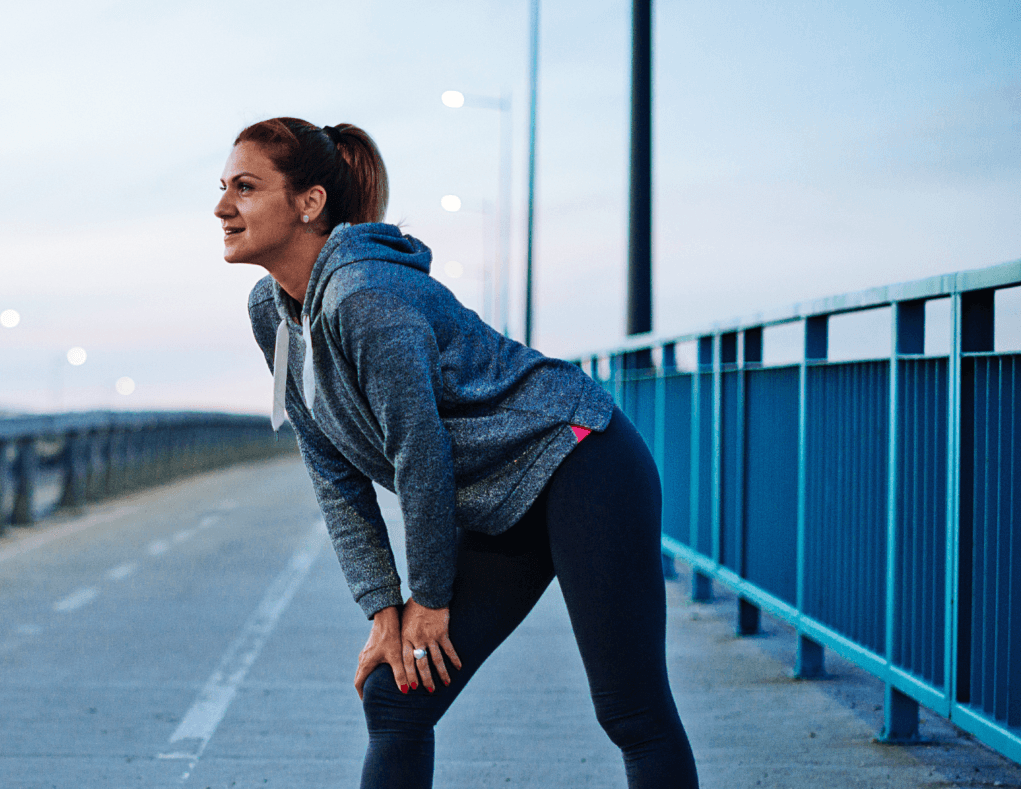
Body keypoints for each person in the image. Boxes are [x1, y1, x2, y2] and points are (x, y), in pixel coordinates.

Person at [215, 117, 698, 789]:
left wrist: (432, 598)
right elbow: (330, 467)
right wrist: (385, 611)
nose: (222, 207)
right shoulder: (271, 311)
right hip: (501, 501)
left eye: (245, 187)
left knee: (632, 710)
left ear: (309, 202)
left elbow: (420, 452)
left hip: (582, 462)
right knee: (395, 695)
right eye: (223, 188)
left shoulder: (367, 296)